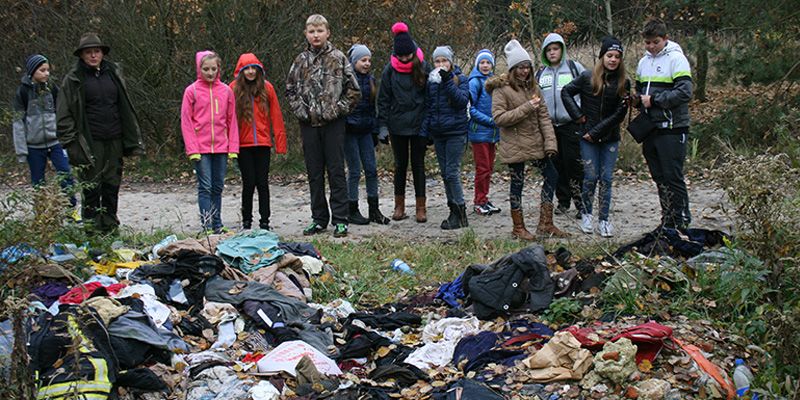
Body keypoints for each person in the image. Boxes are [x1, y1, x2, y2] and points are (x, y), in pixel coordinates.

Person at [57, 33, 143, 233]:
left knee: (111, 185)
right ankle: (92, 231)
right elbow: (63, 114)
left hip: (114, 138)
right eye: (89, 52)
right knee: (91, 187)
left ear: (102, 53)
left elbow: (124, 106)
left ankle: (111, 227)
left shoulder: (113, 73)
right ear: (82, 55)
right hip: (89, 141)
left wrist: (130, 138)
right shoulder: (73, 79)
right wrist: (71, 142)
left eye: (97, 51)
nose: (93, 55)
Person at [286, 14, 361, 238]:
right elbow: (290, 89)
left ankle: (340, 219)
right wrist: (301, 111)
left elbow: (354, 91)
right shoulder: (300, 60)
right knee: (314, 173)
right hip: (309, 125)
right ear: (306, 34)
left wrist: (336, 110)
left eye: (320, 31)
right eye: (311, 31)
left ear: (327, 32)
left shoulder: (338, 58)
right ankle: (319, 218)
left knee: (336, 171)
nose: (316, 35)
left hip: (333, 124)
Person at [487, 39, 567, 240]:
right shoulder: (501, 89)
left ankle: (545, 223)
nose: (524, 71)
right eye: (520, 67)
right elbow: (499, 119)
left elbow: (544, 118)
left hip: (536, 143)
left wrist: (550, 144)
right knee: (517, 183)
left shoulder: (534, 88)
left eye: (527, 67)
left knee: (553, 175)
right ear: (513, 69)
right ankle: (518, 227)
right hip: (514, 145)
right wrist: (526, 108)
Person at [562, 37, 630, 237]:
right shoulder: (586, 77)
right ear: (602, 56)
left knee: (607, 179)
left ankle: (604, 219)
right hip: (587, 136)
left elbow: (620, 113)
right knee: (590, 177)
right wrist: (578, 116)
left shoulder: (624, 81)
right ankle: (586, 214)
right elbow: (566, 92)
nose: (613, 60)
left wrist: (596, 131)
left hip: (609, 136)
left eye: (617, 57)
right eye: (609, 55)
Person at [633, 18, 693, 231]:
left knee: (672, 175)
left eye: (655, 42)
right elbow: (641, 90)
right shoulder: (643, 62)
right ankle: (667, 220)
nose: (651, 46)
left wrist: (655, 100)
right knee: (659, 177)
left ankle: (682, 220)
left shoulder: (677, 59)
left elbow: (685, 92)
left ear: (665, 39)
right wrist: (636, 99)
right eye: (647, 43)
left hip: (673, 127)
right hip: (651, 127)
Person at [377, 22, 431, 223]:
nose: (405, 59)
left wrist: (429, 128)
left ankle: (421, 207)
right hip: (397, 125)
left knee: (418, 166)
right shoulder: (389, 70)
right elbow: (383, 99)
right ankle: (399, 205)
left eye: (408, 55)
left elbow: (431, 99)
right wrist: (382, 126)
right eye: (401, 56)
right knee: (400, 166)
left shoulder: (424, 67)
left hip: (419, 125)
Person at [181, 51, 239, 234]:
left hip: (221, 146)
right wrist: (192, 149)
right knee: (205, 186)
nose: (210, 72)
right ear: (199, 69)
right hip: (201, 148)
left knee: (218, 186)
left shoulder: (226, 91)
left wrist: (233, 147)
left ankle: (217, 224)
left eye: (214, 69)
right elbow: (186, 121)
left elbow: (232, 120)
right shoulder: (192, 91)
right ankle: (206, 225)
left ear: (219, 69)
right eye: (206, 69)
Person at [13, 54, 78, 218]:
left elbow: (62, 112)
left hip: (55, 142)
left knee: (65, 173)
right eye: (42, 70)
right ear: (32, 71)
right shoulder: (22, 92)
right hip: (34, 146)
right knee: (38, 181)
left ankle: (71, 210)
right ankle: (41, 214)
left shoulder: (52, 89)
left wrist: (66, 137)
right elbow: (18, 123)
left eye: (48, 70)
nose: (46, 73)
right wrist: (21, 151)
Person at [230, 53, 287, 231]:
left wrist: (280, 143)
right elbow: (228, 119)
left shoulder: (267, 88)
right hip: (243, 145)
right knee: (248, 183)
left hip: (262, 143)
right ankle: (246, 220)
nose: (251, 71)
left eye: (254, 68)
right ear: (241, 71)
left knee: (262, 183)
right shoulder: (233, 89)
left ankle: (265, 221)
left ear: (259, 70)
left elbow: (276, 116)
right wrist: (229, 144)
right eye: (247, 68)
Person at [536, 33, 586, 219]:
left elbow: (588, 89)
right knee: (556, 166)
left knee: (574, 164)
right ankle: (563, 202)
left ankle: (581, 204)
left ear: (562, 49)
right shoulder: (540, 73)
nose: (552, 53)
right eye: (548, 50)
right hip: (549, 126)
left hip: (571, 124)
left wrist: (583, 114)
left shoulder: (574, 68)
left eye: (555, 49)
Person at [422, 46, 470, 230]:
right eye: (437, 61)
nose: (441, 64)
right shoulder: (431, 82)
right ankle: (453, 211)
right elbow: (429, 107)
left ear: (451, 62)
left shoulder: (460, 79)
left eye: (444, 61)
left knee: (452, 172)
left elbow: (461, 101)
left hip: (456, 132)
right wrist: (426, 132)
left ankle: (460, 212)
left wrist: (448, 81)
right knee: (444, 174)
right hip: (438, 133)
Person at [344, 44, 390, 226]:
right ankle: (352, 209)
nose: (367, 63)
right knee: (354, 171)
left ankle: (374, 209)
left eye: (369, 60)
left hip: (366, 131)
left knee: (371, 169)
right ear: (354, 61)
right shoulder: (346, 80)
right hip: (349, 132)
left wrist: (375, 131)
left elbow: (373, 108)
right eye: (363, 60)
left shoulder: (371, 80)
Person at [467, 49, 501, 216]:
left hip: (493, 133)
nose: (485, 65)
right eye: (482, 62)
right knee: (482, 168)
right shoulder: (474, 82)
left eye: (488, 62)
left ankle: (485, 198)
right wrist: (489, 121)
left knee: (489, 167)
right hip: (479, 131)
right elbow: (470, 109)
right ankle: (478, 201)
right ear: (477, 64)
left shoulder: (494, 81)